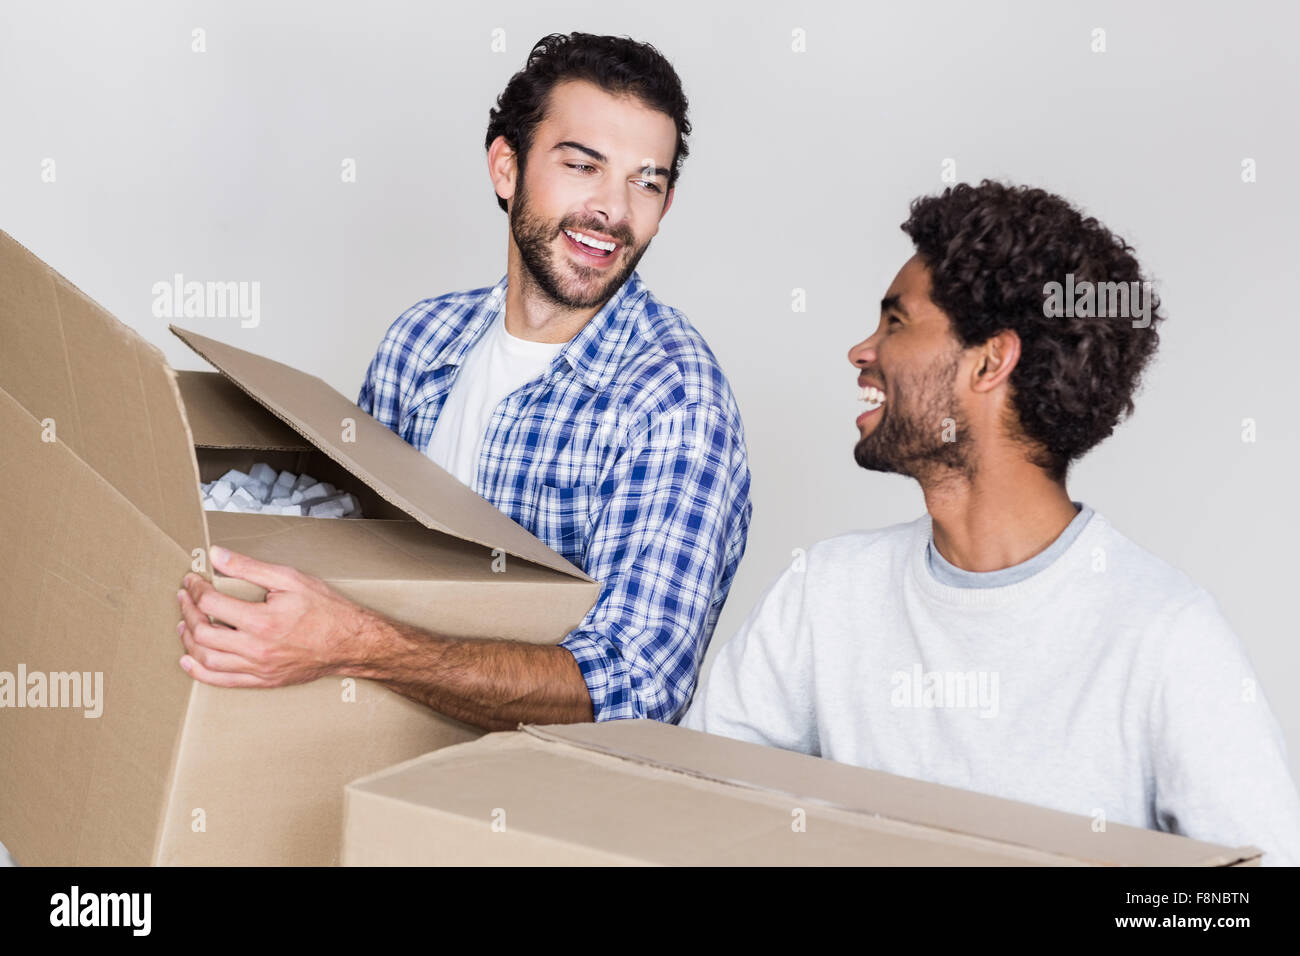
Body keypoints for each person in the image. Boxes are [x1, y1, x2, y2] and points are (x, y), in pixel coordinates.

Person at [682, 180, 1300, 865]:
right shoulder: (824, 592)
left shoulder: (1164, 636)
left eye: (895, 323)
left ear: (990, 361)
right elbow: (694, 809)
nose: (862, 351)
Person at [176, 33, 752, 730]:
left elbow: (632, 689)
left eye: (646, 181)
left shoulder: (675, 400)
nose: (614, 209)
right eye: (583, 165)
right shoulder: (419, 343)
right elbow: (356, 553)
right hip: (353, 755)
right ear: (506, 168)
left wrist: (358, 647)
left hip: (528, 809)